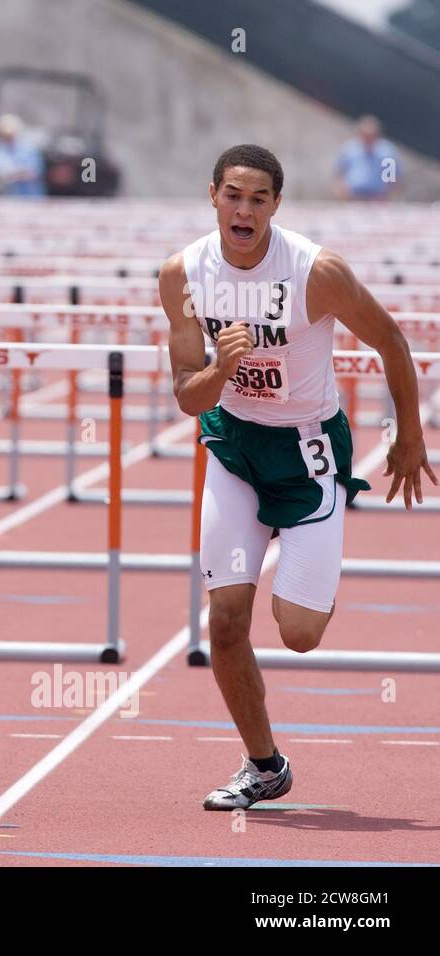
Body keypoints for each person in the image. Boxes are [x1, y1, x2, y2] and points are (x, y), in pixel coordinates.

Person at [159, 144, 435, 810]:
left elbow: (391, 340)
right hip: (233, 449)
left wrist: (409, 435)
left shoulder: (317, 272)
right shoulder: (184, 274)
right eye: (233, 195)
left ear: (276, 205)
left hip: (310, 452)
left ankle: (316, 554)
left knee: (300, 635)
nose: (244, 209)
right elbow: (187, 398)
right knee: (224, 622)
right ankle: (264, 766)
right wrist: (221, 370)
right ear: (214, 196)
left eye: (258, 198)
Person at [334, 115, 400, 201]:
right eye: (365, 135)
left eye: (371, 136)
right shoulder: (350, 149)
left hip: (378, 199)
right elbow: (338, 171)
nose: (368, 139)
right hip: (353, 197)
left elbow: (393, 178)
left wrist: (387, 195)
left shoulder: (387, 152)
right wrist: (341, 190)